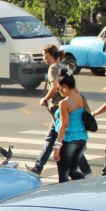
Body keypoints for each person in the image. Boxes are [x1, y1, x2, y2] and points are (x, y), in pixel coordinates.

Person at [27, 46, 91, 176]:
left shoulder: (53, 68)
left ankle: (39, 168)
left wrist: (44, 99)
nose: (44, 58)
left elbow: (55, 88)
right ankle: (84, 168)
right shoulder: (64, 67)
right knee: (59, 138)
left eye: (44, 55)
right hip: (70, 106)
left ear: (49, 55)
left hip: (60, 107)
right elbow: (74, 89)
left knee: (55, 138)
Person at [52, 71, 88, 182]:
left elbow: (64, 125)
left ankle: (65, 193)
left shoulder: (64, 103)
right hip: (82, 138)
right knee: (73, 171)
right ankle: (87, 186)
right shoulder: (81, 98)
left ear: (65, 86)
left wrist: (57, 146)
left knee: (63, 174)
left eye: (59, 88)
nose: (59, 91)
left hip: (69, 139)